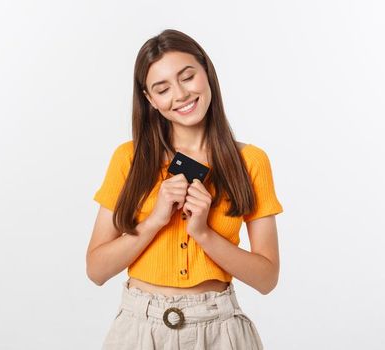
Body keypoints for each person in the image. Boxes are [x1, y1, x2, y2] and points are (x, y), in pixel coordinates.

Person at [86, 29, 283, 349]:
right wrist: (155, 220)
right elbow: (96, 269)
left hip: (220, 331)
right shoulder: (129, 159)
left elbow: (267, 278)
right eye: (162, 88)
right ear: (150, 100)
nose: (180, 94)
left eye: (187, 76)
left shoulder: (251, 162)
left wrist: (204, 233)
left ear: (206, 71)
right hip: (139, 330)